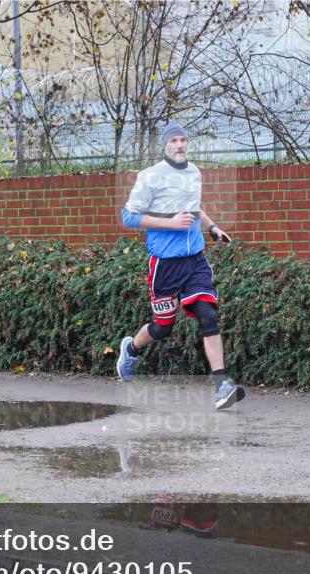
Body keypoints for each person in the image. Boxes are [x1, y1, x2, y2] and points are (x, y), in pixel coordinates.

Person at [116, 121, 245, 410]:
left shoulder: (194, 172)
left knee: (208, 316)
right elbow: (128, 216)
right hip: (165, 264)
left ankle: (221, 386)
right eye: (174, 140)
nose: (179, 145)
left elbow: (195, 208)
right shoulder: (150, 177)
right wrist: (170, 223)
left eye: (183, 140)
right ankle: (132, 349)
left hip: (195, 261)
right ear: (165, 145)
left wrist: (212, 228)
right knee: (163, 326)